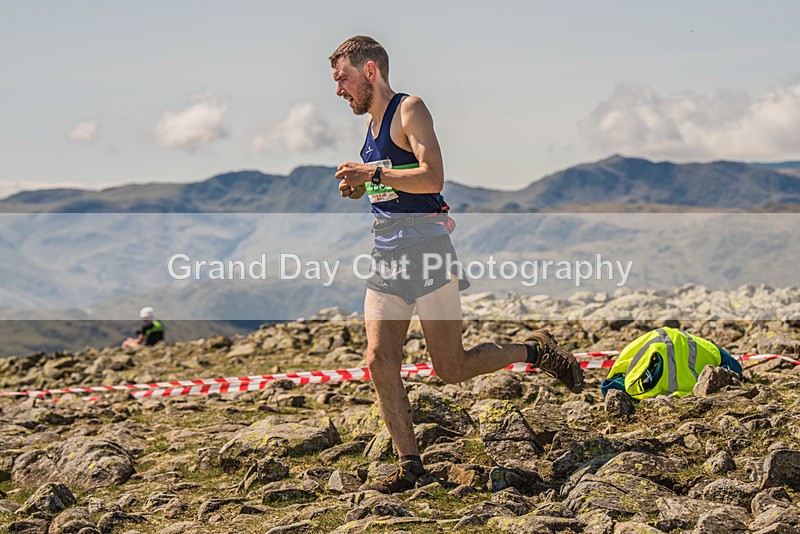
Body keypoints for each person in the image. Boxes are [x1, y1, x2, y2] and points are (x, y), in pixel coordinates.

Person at [329, 36, 585, 493]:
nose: (338, 90)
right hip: (386, 252)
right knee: (378, 358)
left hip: (427, 250)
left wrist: (373, 174)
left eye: (343, 78)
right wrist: (361, 188)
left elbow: (432, 177)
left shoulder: (410, 109)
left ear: (370, 72)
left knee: (450, 367)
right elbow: (392, 188)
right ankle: (410, 466)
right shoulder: (369, 130)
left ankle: (534, 350)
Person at [600, 326, 744, 400]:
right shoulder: (706, 349)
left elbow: (611, 379)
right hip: (681, 342)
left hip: (661, 340)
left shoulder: (646, 344)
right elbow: (735, 369)